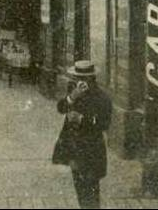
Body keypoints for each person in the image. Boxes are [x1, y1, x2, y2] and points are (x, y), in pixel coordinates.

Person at [52, 60, 112, 208]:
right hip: (74, 150)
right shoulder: (74, 92)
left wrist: (81, 119)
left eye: (83, 79)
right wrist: (72, 97)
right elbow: (60, 108)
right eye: (76, 78)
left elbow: (104, 124)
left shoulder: (101, 98)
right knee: (80, 188)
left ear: (91, 79)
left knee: (91, 193)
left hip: (92, 151)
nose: (79, 82)